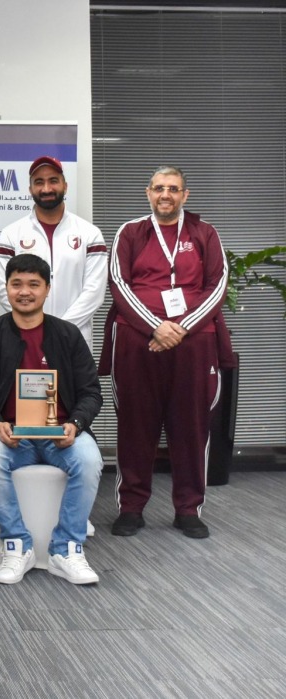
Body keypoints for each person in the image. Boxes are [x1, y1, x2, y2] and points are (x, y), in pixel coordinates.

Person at [101, 166, 231, 540]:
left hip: (194, 343)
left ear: (185, 195)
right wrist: (155, 326)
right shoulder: (130, 232)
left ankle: (188, 508)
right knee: (135, 425)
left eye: (173, 189)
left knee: (191, 425)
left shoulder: (205, 234)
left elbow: (218, 285)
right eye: (159, 188)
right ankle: (131, 507)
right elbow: (119, 284)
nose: (166, 195)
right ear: (148, 193)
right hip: (138, 341)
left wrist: (181, 328)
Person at [0, 254, 103, 586]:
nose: (24, 292)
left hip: (62, 435)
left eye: (33, 285)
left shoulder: (68, 335)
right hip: (11, 436)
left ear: (47, 289)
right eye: (16, 284)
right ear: (7, 288)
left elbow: (90, 392)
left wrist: (77, 424)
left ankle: (66, 549)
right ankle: (17, 544)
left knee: (89, 459)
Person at [0, 156, 108, 347]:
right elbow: (5, 290)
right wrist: (36, 327)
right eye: (39, 182)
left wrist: (61, 329)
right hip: (26, 337)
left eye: (53, 181)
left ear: (65, 185)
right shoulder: (10, 234)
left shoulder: (90, 234)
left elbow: (94, 292)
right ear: (30, 189)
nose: (46, 189)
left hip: (75, 337)